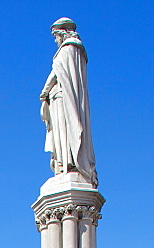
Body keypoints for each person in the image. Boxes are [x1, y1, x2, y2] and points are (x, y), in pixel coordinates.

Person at [39, 17, 97, 187]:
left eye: (56, 37)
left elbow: (59, 71)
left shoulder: (69, 48)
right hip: (58, 97)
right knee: (60, 133)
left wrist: (44, 91)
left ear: (62, 33)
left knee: (66, 129)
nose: (56, 41)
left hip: (64, 98)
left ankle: (70, 162)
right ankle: (64, 163)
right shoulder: (74, 50)